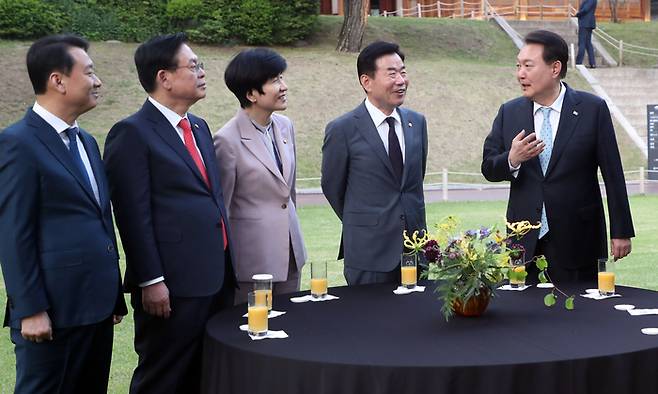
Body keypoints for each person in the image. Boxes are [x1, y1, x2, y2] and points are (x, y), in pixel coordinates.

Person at [103, 33, 235, 394]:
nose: (202, 72)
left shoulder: (200, 127)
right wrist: (151, 279)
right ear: (164, 77)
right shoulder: (131, 133)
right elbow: (131, 214)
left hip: (216, 275)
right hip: (172, 284)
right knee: (163, 376)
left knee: (207, 373)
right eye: (193, 66)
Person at [0, 34, 126, 393]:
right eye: (89, 72)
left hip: (96, 308)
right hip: (52, 312)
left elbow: (100, 219)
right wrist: (30, 309)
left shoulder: (86, 141)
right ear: (58, 80)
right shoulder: (17, 143)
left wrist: (113, 295)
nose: (98, 81)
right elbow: (13, 232)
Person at [481, 30, 634, 283]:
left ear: (555, 68)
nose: (520, 73)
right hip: (524, 242)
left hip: (579, 238)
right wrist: (513, 158)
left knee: (579, 317)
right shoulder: (510, 112)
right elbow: (488, 167)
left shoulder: (592, 109)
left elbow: (613, 174)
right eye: (518, 66)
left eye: (528, 66)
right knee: (524, 318)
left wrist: (621, 231)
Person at [321, 41, 428, 286]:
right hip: (368, 253)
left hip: (414, 248)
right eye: (392, 73)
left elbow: (413, 181)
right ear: (366, 82)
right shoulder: (343, 129)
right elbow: (332, 187)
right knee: (369, 321)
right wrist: (367, 220)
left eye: (403, 72)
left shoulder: (417, 123)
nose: (401, 80)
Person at [214, 48, 307, 304]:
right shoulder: (227, 140)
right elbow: (224, 209)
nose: (284, 86)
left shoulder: (285, 126)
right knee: (255, 331)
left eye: (281, 78)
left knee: (292, 328)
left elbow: (289, 194)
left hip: (290, 254)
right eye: (275, 80)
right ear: (251, 94)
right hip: (252, 262)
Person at [575, 0, 598, 68]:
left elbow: (585, 10)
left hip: (585, 23)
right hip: (589, 23)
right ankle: (592, 63)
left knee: (582, 43)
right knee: (588, 44)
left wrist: (577, 14)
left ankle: (578, 63)